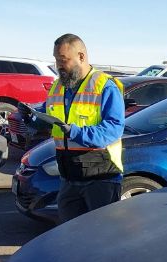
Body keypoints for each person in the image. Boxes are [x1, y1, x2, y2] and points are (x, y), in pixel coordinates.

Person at [19, 34, 124, 222]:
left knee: (102, 237)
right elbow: (48, 117)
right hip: (69, 177)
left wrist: (74, 132)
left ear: (81, 56)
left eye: (63, 60)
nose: (58, 65)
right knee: (69, 236)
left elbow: (113, 129)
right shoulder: (59, 87)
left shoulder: (105, 86)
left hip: (100, 177)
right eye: (56, 59)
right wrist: (31, 118)